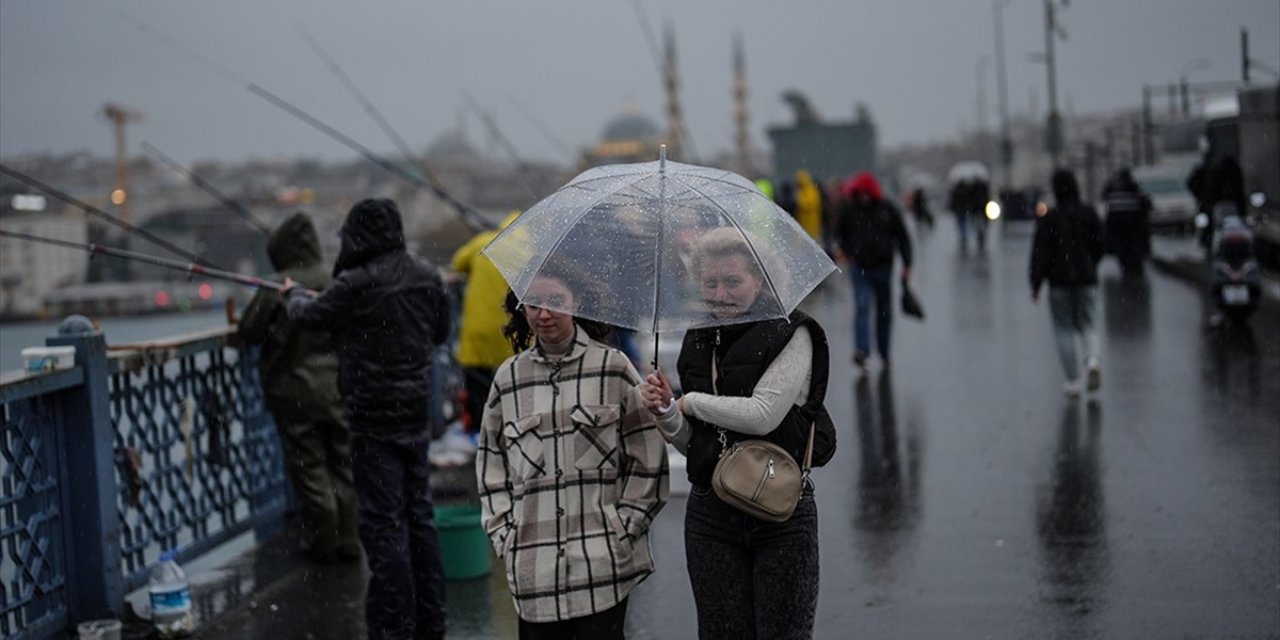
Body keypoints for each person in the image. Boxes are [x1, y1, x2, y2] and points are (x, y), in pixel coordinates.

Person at [640, 227, 834, 640]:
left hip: (782, 511)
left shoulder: (793, 331)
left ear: (759, 280)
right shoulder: (698, 339)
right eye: (710, 283)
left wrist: (690, 402)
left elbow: (763, 416)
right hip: (712, 515)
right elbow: (695, 444)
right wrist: (667, 411)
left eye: (732, 281)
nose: (720, 294)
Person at [282, 198, 452, 640]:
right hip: (414, 412)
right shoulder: (427, 275)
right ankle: (431, 618)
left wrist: (293, 293)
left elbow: (306, 317)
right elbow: (439, 332)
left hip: (372, 417)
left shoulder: (355, 282)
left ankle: (393, 625)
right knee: (420, 515)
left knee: (383, 523)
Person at [476, 261, 669, 640]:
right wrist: (506, 537)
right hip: (534, 573)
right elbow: (490, 465)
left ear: (576, 302)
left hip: (603, 569)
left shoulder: (612, 367)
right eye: (533, 304)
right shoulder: (508, 379)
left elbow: (648, 455)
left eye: (555, 302)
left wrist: (625, 528)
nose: (544, 314)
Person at [236, 212, 359, 564]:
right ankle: (350, 538)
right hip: (337, 388)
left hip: (294, 393)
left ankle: (325, 540)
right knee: (343, 463)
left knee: (310, 467)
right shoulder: (335, 279)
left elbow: (248, 331)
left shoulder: (277, 286)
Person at [1030, 169, 1105, 397]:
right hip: (1086, 278)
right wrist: (1091, 263)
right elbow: (1101, 244)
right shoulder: (1088, 213)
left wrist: (1036, 283)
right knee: (1089, 323)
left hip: (1058, 282)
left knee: (1063, 329)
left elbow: (1040, 253)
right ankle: (1092, 360)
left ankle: (1072, 381)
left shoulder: (1050, 218)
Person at [834, 171, 913, 370]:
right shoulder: (850, 210)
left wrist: (907, 264)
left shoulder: (887, 209)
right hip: (860, 266)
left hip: (883, 267)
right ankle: (862, 350)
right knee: (862, 306)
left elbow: (902, 237)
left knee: (884, 311)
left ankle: (883, 351)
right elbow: (840, 233)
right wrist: (847, 251)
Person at [451, 210, 520, 433]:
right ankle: (510, 426)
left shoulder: (484, 242)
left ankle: (480, 429)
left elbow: (458, 262)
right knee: (513, 383)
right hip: (512, 331)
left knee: (477, 385)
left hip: (479, 328)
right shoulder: (530, 251)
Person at [1100, 168, 1153, 277]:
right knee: (1134, 246)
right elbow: (1145, 203)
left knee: (1121, 246)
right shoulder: (1133, 187)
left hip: (1116, 224)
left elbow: (1104, 197)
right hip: (1133, 224)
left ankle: (1126, 266)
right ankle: (1134, 267)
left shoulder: (1112, 187)